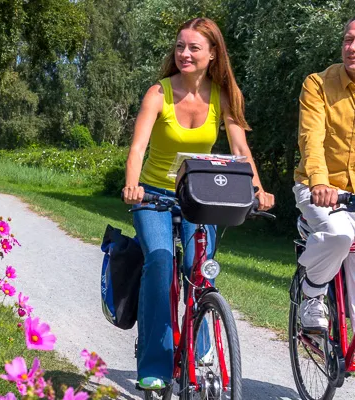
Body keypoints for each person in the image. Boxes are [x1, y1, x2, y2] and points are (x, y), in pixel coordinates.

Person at [121, 17, 274, 390]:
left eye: (193, 48)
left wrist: (258, 188)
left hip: (200, 195)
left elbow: (240, 149)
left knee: (199, 268)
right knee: (159, 261)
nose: (184, 53)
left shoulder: (222, 96)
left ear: (212, 54)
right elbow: (139, 147)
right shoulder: (158, 93)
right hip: (154, 195)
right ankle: (154, 364)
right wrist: (131, 184)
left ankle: (199, 347)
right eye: (179, 47)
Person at [294, 16, 355, 333]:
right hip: (319, 189)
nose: (352, 48)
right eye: (348, 39)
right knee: (339, 234)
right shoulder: (317, 84)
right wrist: (319, 181)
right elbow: (311, 138)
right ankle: (312, 293)